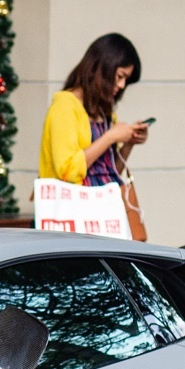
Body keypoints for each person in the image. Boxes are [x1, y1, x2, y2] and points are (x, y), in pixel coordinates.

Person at [39, 33, 150, 229]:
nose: (122, 85)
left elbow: (109, 172)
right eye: (120, 76)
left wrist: (128, 144)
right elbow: (67, 171)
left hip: (105, 215)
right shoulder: (65, 106)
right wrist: (110, 137)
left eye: (126, 80)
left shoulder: (105, 113)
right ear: (102, 67)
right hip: (76, 216)